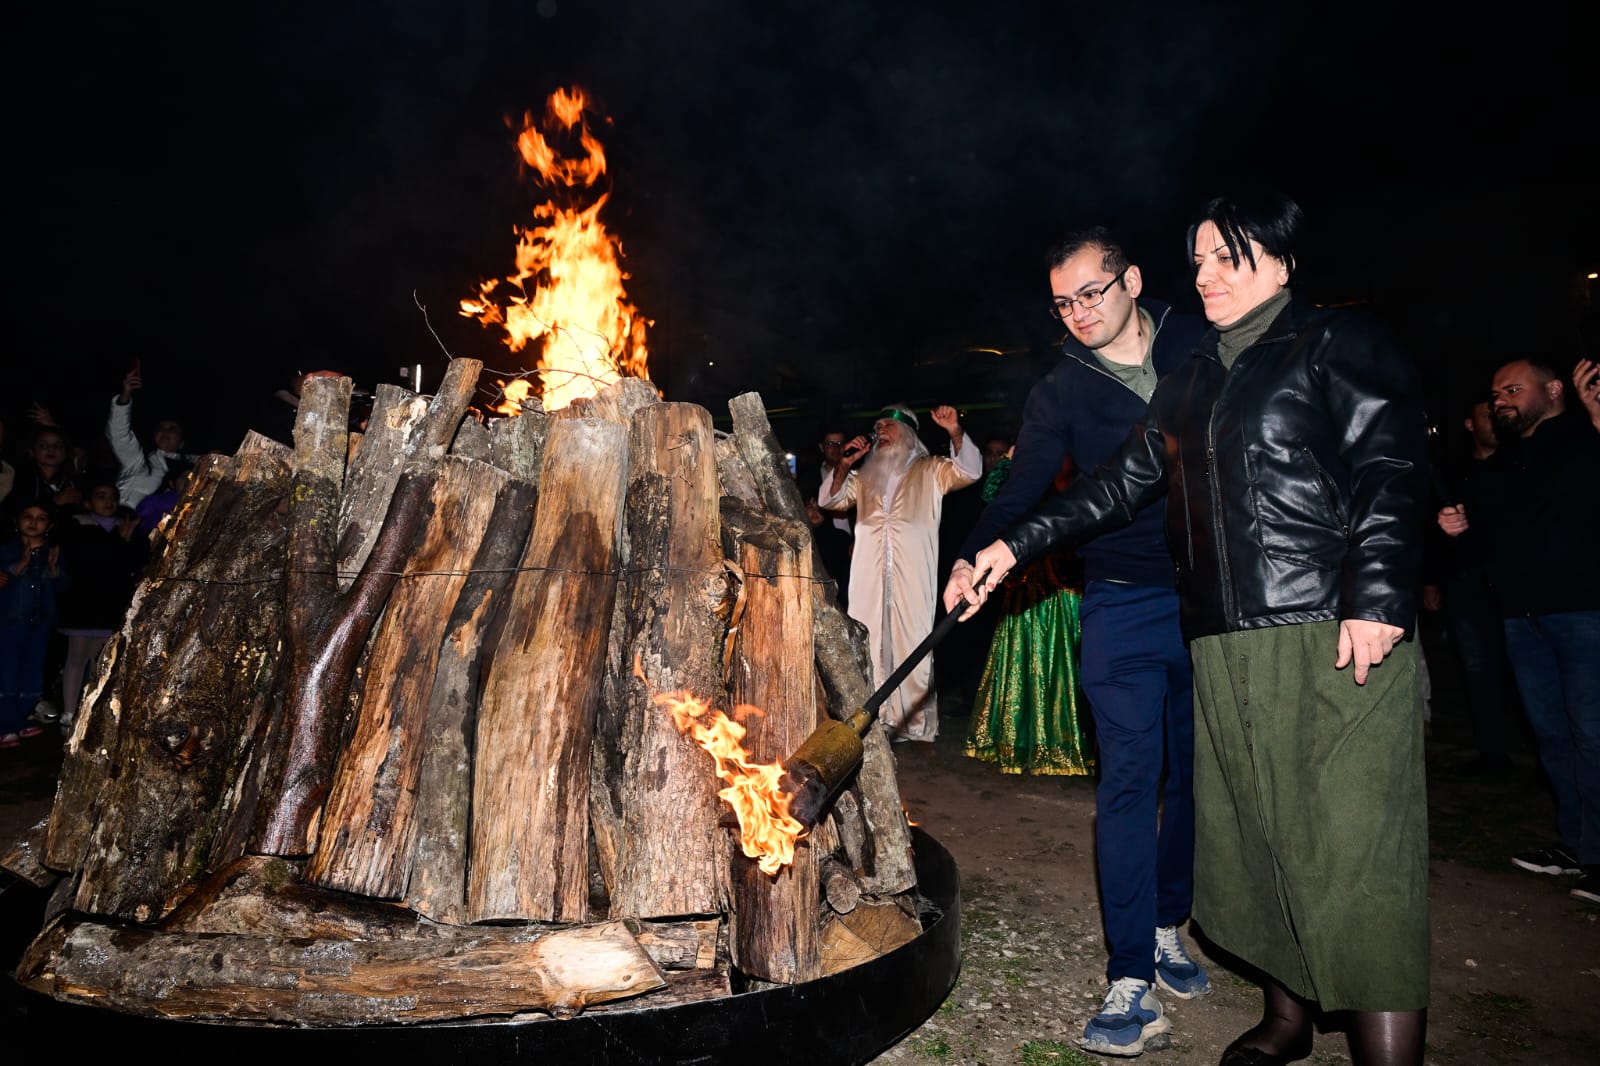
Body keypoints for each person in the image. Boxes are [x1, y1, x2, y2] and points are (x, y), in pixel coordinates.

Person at [955, 191, 1431, 1066]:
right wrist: (1000, 548)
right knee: (1247, 822)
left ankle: (1365, 1038)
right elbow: (1101, 487)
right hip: (1201, 624)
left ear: (1280, 262)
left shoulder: (1319, 341)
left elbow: (1388, 465)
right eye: (1200, 259)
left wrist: (1377, 592)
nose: (1205, 275)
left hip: (1313, 622)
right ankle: (1255, 1007)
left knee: (1350, 840)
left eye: (1226, 257)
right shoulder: (1182, 381)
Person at [944, 225, 1209, 1054]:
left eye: (1091, 293)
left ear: (1131, 279)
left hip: (1211, 599)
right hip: (1120, 600)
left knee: (1194, 774)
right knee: (1129, 781)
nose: (1078, 313)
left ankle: (1171, 922)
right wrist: (971, 555)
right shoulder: (1062, 386)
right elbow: (1021, 489)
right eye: (1063, 303)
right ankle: (1131, 972)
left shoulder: (1199, 336)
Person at [1437, 356, 1600, 905]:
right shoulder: (1503, 465)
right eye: (1495, 391)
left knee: (1593, 734)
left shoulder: (1583, 441)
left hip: (1584, 613)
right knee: (1553, 736)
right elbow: (1487, 547)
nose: (1500, 400)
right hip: (1522, 618)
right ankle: (1579, 847)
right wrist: (1457, 530)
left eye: (1513, 389)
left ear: (1554, 390)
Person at [820, 403, 980, 743]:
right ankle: (867, 716)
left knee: (912, 637)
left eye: (886, 427)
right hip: (869, 572)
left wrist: (954, 431)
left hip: (913, 569)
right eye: (876, 427)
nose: (879, 433)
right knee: (868, 635)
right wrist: (845, 463)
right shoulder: (865, 476)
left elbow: (970, 471)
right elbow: (830, 501)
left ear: (906, 432)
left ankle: (911, 722)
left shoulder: (931, 469)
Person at [964, 444, 1095, 777]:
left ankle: (1063, 741)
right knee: (1023, 656)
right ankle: (1019, 740)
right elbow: (992, 497)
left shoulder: (1077, 459)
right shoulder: (1027, 465)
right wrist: (1009, 459)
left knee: (1064, 656)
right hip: (1026, 573)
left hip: (1064, 572)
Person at [56, 482, 147, 731]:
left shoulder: (127, 528)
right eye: (101, 495)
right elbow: (85, 562)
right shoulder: (77, 524)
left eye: (113, 496)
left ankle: (92, 711)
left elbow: (129, 565)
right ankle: (67, 712)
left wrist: (125, 541)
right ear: (87, 502)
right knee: (75, 657)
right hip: (81, 603)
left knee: (101, 660)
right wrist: (119, 541)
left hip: (110, 605)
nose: (108, 501)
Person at [1, 504, 69, 749]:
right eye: (27, 516)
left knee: (33, 671)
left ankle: (20, 718)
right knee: (7, 672)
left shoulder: (54, 551)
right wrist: (18, 566)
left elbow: (64, 585)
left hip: (40, 622)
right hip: (10, 622)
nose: (33, 522)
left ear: (49, 525)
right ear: (17, 520)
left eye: (41, 518)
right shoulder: (7, 550)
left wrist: (53, 570)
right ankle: (6, 724)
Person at [106, 361, 200, 509]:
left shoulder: (197, 466)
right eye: (161, 428)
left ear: (182, 441)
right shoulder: (138, 459)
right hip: (122, 519)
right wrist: (125, 396)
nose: (166, 431)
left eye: (172, 428)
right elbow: (119, 434)